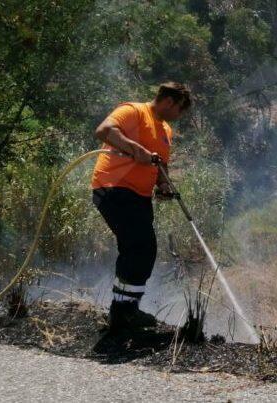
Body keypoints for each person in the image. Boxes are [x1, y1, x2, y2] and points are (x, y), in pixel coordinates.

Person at [91, 82, 191, 332]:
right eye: (179, 110)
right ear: (169, 102)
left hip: (139, 196)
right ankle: (123, 313)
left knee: (141, 248)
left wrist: (164, 185)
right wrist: (136, 149)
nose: (179, 116)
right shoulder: (133, 111)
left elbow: (161, 165)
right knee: (140, 247)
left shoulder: (166, 130)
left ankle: (125, 309)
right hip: (113, 187)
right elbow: (104, 130)